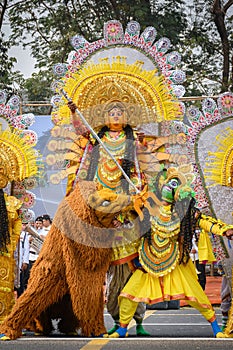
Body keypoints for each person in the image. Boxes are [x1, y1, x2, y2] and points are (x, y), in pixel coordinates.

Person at [67, 100, 186, 337]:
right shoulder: (97, 137)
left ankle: (138, 320)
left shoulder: (132, 139)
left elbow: (142, 166)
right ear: (106, 116)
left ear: (125, 116)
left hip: (126, 197)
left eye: (119, 112)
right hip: (102, 200)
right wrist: (74, 112)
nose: (115, 115)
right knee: (106, 270)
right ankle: (113, 318)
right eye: (111, 112)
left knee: (132, 269)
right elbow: (81, 130)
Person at [108, 165, 233, 338]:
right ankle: (122, 329)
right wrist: (120, 222)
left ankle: (216, 329)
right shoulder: (149, 208)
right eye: (169, 183)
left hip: (174, 262)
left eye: (175, 184)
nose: (170, 187)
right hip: (149, 262)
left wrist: (224, 230)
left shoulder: (184, 213)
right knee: (129, 294)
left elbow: (205, 221)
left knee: (196, 295)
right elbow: (132, 224)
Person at [14, 222, 30, 297]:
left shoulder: (24, 234)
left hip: (19, 262)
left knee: (19, 283)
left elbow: (26, 248)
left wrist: (25, 261)